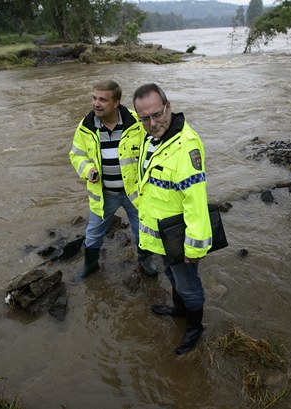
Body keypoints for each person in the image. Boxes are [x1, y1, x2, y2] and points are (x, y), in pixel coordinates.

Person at [132, 83, 212, 355]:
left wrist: (195, 247)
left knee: (188, 285)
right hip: (161, 231)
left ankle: (195, 328)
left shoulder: (186, 145)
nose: (152, 123)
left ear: (169, 106)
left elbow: (196, 200)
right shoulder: (151, 137)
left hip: (180, 235)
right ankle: (178, 311)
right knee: (170, 272)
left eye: (157, 115)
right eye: (144, 118)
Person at [69, 80, 157, 281]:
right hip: (104, 193)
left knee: (142, 230)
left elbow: (154, 148)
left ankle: (145, 260)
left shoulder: (137, 123)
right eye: (94, 98)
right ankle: (90, 265)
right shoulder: (86, 127)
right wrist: (88, 170)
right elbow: (76, 155)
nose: (96, 104)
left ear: (116, 102)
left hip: (134, 192)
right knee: (93, 233)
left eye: (102, 99)